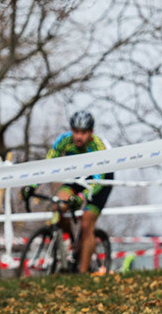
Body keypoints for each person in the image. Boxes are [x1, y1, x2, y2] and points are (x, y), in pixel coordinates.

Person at [22, 109, 113, 273]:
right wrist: (33, 185)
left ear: (91, 132)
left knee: (86, 223)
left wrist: (81, 197)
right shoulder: (64, 140)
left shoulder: (98, 146)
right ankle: (72, 243)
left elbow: (98, 180)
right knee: (59, 204)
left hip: (100, 180)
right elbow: (46, 166)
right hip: (78, 175)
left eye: (83, 133)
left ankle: (81, 273)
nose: (79, 137)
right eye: (76, 132)